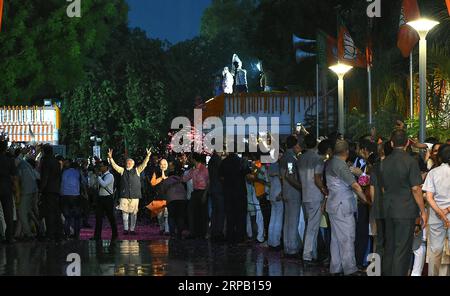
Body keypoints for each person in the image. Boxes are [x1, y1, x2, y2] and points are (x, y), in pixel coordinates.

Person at [381, 129, 427, 276]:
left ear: (392, 143)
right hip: (406, 210)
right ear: (407, 143)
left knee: (390, 247)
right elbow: (415, 189)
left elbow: (382, 188)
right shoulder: (410, 162)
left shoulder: (383, 162)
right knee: (402, 250)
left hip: (388, 209)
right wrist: (422, 210)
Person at [326, 140, 369, 276]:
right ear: (347, 152)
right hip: (342, 206)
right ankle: (350, 269)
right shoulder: (340, 165)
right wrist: (365, 199)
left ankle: (336, 268)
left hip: (334, 204)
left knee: (336, 238)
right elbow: (355, 185)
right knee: (347, 237)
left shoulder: (331, 162)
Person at [108, 148, 151, 236]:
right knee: (125, 213)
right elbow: (115, 166)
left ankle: (132, 229)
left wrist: (148, 156)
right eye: (127, 163)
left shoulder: (137, 170)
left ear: (133, 164)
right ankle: (125, 229)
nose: (128, 164)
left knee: (134, 213)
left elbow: (144, 164)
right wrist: (110, 158)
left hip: (135, 195)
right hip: (124, 195)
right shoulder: (122, 170)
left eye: (130, 163)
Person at [298, 134, 326, 265]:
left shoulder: (300, 158)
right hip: (315, 195)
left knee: (310, 224)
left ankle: (312, 253)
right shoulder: (318, 159)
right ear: (315, 143)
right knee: (312, 227)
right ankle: (308, 255)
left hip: (305, 195)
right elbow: (317, 178)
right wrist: (324, 189)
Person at [423, 144, 450, 276]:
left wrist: (441, 213)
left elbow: (429, 197)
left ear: (439, 157)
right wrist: (447, 210)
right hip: (447, 214)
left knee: (435, 250)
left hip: (436, 215)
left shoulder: (433, 173)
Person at [220, 151, 251, 244]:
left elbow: (221, 178)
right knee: (240, 216)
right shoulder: (241, 161)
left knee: (230, 216)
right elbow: (248, 175)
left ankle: (230, 237)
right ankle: (240, 237)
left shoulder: (224, 162)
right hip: (240, 192)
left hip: (228, 193)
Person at [279, 135, 302, 257]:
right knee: (293, 220)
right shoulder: (290, 159)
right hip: (293, 192)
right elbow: (290, 174)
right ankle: (292, 248)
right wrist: (300, 187)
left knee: (287, 220)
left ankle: (287, 245)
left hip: (286, 191)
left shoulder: (283, 157)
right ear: (294, 145)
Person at [39, 144, 63, 242]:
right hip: (56, 189)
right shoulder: (56, 162)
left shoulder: (46, 161)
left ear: (44, 152)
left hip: (48, 190)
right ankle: (58, 233)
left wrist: (41, 189)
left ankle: (50, 234)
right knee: (56, 212)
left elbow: (45, 177)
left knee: (49, 213)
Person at [182, 153, 209, 239]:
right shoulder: (193, 170)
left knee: (202, 213)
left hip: (202, 191)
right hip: (196, 192)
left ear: (194, 159)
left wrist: (205, 194)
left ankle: (203, 232)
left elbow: (208, 182)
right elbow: (184, 179)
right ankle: (194, 231)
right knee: (193, 211)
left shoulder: (204, 169)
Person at [15, 149, 40, 240]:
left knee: (22, 212)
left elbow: (16, 181)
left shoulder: (19, 165)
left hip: (26, 191)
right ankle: (39, 227)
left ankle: (28, 233)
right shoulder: (26, 164)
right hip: (34, 190)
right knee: (29, 211)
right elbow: (37, 176)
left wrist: (18, 194)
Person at [160, 162, 187, 240]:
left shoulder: (167, 180)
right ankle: (179, 233)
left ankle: (172, 233)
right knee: (180, 216)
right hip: (182, 199)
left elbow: (163, 191)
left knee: (171, 216)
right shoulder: (181, 180)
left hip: (171, 200)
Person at [92, 161, 118, 241]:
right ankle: (97, 236)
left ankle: (115, 234)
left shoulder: (110, 176)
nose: (100, 168)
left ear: (106, 167)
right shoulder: (102, 175)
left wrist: (98, 177)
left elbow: (104, 184)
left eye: (102, 166)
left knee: (111, 217)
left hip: (108, 198)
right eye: (100, 166)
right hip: (100, 198)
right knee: (98, 217)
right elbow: (96, 185)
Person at [0, 140, 19, 243]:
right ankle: (9, 237)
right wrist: (16, 192)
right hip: (6, 189)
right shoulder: (9, 160)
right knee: (8, 214)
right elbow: (15, 178)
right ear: (5, 149)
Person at [60, 159, 84, 240]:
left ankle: (67, 234)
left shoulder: (64, 172)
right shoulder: (78, 172)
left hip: (65, 196)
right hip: (75, 196)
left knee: (67, 217)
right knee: (77, 217)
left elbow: (62, 183)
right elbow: (82, 183)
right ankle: (76, 234)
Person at [268, 149, 284, 250]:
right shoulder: (279, 166)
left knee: (273, 217)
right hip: (278, 194)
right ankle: (276, 242)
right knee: (278, 218)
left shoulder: (270, 166)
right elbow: (283, 180)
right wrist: (282, 193)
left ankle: (271, 241)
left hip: (272, 193)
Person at [208, 150, 225, 242]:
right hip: (219, 189)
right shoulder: (218, 161)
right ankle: (218, 232)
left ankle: (214, 231)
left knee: (215, 211)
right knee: (220, 211)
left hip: (213, 189)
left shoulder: (211, 160)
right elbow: (221, 176)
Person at [151, 158, 170, 235]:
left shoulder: (170, 172)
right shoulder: (156, 172)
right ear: (159, 165)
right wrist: (161, 178)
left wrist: (166, 178)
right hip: (158, 196)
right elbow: (152, 183)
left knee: (166, 215)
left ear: (167, 165)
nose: (163, 166)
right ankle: (162, 228)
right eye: (161, 164)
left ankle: (167, 230)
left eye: (164, 164)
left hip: (168, 197)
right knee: (159, 216)